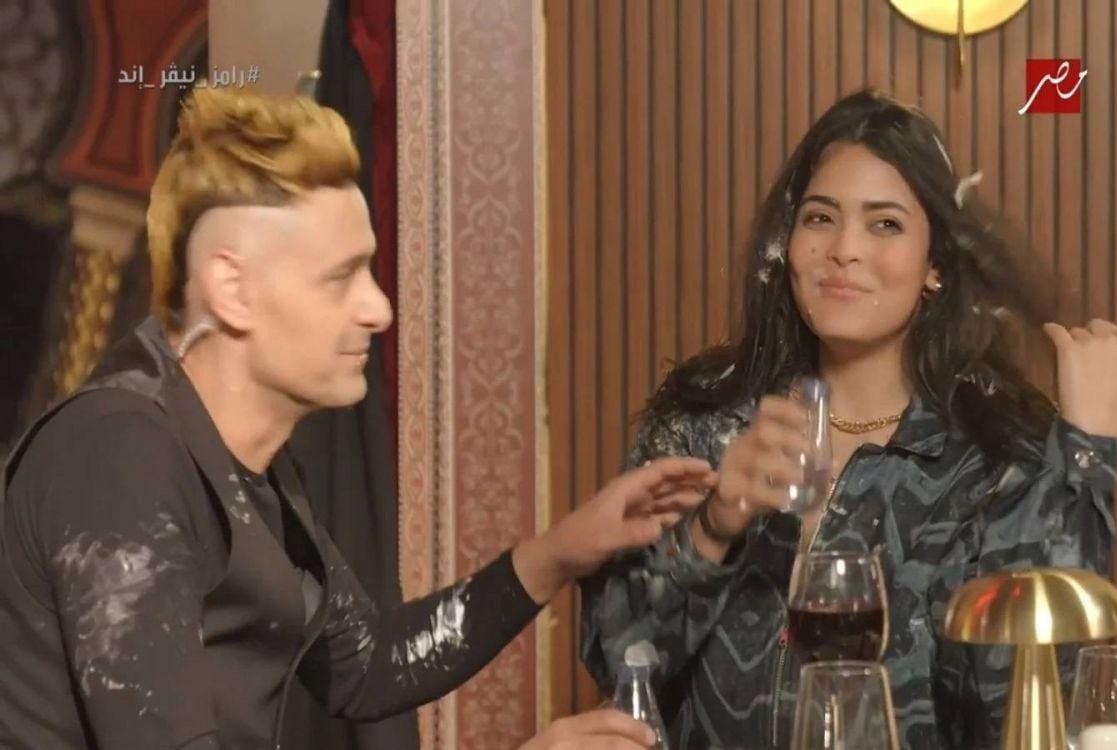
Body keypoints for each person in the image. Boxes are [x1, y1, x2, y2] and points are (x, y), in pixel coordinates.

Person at [0, 87, 717, 750]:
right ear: (231, 288)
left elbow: (369, 666)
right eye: (341, 277)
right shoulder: (118, 455)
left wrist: (562, 551)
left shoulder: (249, 467)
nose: (378, 308)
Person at [580, 89, 1117, 749]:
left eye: (885, 224)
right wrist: (713, 526)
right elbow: (617, 661)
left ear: (935, 265)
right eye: (820, 218)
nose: (844, 248)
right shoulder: (702, 423)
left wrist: (1086, 449)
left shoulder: (994, 460)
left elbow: (1021, 705)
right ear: (786, 244)